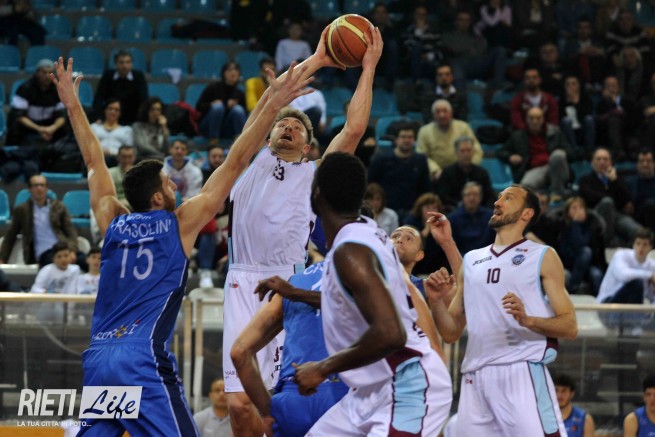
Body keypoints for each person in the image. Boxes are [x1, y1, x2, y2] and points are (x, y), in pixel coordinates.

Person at [52, 52, 314, 436]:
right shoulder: (178, 224)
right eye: (168, 182)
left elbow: (93, 162)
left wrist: (73, 106)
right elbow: (237, 160)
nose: (175, 184)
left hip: (99, 358)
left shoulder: (112, 220)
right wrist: (272, 104)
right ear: (158, 197)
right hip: (142, 357)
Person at [222, 25, 382, 437]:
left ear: (309, 146)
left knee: (278, 404)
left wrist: (367, 67)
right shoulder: (248, 159)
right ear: (269, 133)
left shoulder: (314, 174)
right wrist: (318, 59)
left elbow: (354, 129)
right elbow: (271, 101)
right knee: (238, 405)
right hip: (241, 279)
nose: (288, 128)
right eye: (282, 124)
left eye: (298, 127)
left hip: (285, 285)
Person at [290, 152, 452, 435]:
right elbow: (349, 302)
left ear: (316, 196)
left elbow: (391, 334)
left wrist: (322, 368)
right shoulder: (369, 232)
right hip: (369, 389)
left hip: (407, 385)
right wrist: (292, 291)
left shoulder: (352, 251)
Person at [427, 184, 578, 436]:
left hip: (520, 370)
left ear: (526, 213)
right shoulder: (472, 260)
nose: (497, 202)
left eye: (508, 198)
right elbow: (451, 332)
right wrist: (434, 301)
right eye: (498, 197)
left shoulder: (543, 256)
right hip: (474, 375)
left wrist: (528, 320)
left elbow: (570, 326)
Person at [231, 261, 349, 437]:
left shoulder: (294, 282)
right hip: (343, 396)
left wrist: (269, 413)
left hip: (292, 400)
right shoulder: (371, 272)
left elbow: (239, 352)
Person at [0, 174, 79, 267]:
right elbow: (11, 235)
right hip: (43, 254)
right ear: (30, 189)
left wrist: (72, 250)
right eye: (36, 185)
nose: (39, 188)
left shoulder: (59, 207)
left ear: (46, 188)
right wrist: (2, 258)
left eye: (42, 185)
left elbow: (70, 231)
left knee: (84, 260)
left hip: (63, 249)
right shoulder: (22, 210)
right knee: (54, 262)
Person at [499, 106, 572, 198]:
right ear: (526, 119)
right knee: (525, 186)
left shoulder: (555, 133)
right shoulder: (518, 136)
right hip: (535, 169)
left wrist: (560, 153)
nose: (535, 121)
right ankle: (539, 200)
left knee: (558, 155)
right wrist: (510, 156)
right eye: (532, 118)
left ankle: (557, 194)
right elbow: (501, 152)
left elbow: (571, 153)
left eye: (538, 118)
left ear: (543, 119)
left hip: (555, 167)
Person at [578, 147, 641, 246]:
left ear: (611, 162)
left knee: (639, 232)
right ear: (592, 162)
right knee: (607, 202)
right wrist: (610, 196)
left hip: (617, 215)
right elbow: (591, 197)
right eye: (598, 159)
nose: (602, 162)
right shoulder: (585, 180)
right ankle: (608, 242)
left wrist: (615, 180)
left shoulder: (617, 178)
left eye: (605, 159)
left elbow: (627, 199)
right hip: (597, 214)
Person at [367, 123, 431, 217]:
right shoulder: (381, 160)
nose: (407, 140)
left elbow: (426, 188)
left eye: (410, 137)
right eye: (403, 137)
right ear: (396, 140)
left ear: (414, 140)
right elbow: (371, 185)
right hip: (385, 210)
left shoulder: (421, 161)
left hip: (412, 212)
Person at [417, 99, 483, 181]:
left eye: (445, 111)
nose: (442, 115)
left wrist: (468, 167)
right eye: (438, 112)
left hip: (462, 172)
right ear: (433, 115)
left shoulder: (463, 127)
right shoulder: (424, 131)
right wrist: (435, 170)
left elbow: (477, 151)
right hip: (436, 176)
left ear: (451, 113)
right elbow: (421, 156)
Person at [7, 59, 67, 147]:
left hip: (51, 128)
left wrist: (52, 128)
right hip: (28, 129)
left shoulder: (58, 89)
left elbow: (62, 115)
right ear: (37, 73)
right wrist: (39, 129)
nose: (47, 76)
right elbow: (19, 116)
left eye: (50, 73)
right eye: (44, 72)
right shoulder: (25, 88)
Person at [558, 196, 606, 295]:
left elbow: (583, 244)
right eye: (574, 208)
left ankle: (602, 301)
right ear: (568, 212)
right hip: (570, 264)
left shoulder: (591, 226)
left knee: (596, 274)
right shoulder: (563, 226)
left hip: (588, 265)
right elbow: (576, 247)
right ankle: (573, 287)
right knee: (586, 251)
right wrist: (575, 223)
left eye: (581, 207)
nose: (578, 211)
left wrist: (577, 224)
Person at [596, 228, 655, 304]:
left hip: (633, 304)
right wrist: (650, 275)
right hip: (608, 302)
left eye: (645, 245)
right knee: (637, 283)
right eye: (638, 243)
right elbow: (624, 275)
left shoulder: (652, 265)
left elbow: (650, 296)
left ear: (650, 247)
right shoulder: (621, 255)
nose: (641, 248)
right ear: (633, 245)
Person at [437, 135, 495, 210]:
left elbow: (490, 196)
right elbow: (443, 197)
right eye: (462, 151)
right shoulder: (447, 173)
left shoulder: (482, 173)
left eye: (468, 150)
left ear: (473, 152)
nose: (466, 154)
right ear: (456, 152)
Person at [196, 62, 247, 143]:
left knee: (238, 109)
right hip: (209, 127)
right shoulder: (213, 88)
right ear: (224, 73)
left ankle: (240, 140)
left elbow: (244, 114)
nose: (233, 72)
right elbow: (198, 107)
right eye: (230, 69)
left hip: (227, 129)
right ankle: (213, 140)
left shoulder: (240, 94)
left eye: (236, 70)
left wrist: (232, 106)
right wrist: (211, 105)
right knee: (218, 107)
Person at [93, 50, 148, 125]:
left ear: (132, 64)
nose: (125, 66)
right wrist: (99, 117)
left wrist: (140, 120)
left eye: (128, 62)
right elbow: (99, 98)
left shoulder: (138, 76)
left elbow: (144, 100)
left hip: (133, 117)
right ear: (116, 64)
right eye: (121, 62)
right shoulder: (108, 75)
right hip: (110, 116)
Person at [448, 181, 496, 254]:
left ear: (480, 197)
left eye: (475, 194)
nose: (471, 198)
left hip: (488, 255)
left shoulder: (491, 216)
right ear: (463, 197)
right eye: (468, 195)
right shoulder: (452, 219)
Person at [90, 98, 134, 166]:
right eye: (110, 108)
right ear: (105, 110)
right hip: (96, 159)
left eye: (116, 110)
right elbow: (88, 147)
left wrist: (112, 153)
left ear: (120, 113)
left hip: (118, 161)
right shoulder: (94, 127)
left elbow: (129, 150)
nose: (113, 112)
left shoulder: (126, 130)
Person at [162, 138, 203, 202]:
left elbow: (194, 194)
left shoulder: (195, 171)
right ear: (170, 149)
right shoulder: (161, 170)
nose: (179, 151)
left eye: (183, 149)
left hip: (187, 204)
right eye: (176, 148)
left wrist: (182, 202)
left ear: (186, 152)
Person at [625, 149, 655, 232]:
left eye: (648, 161)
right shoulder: (629, 183)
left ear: (654, 164)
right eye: (641, 161)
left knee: (650, 204)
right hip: (637, 220)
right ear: (637, 165)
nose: (645, 164)